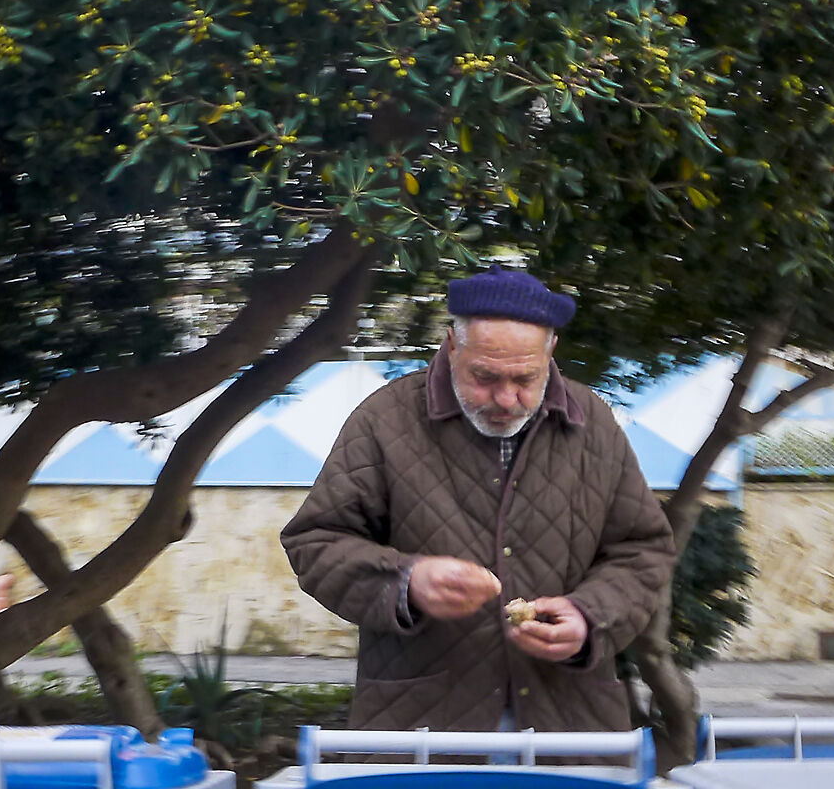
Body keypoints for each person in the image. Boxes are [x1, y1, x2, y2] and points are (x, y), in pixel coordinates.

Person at [280, 267, 677, 733]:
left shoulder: (592, 422)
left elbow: (643, 549)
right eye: (485, 377)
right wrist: (407, 582)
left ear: (551, 351)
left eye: (526, 378)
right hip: (422, 724)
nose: (506, 398)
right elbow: (315, 542)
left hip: (571, 724)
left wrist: (591, 617)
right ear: (452, 346)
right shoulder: (383, 420)